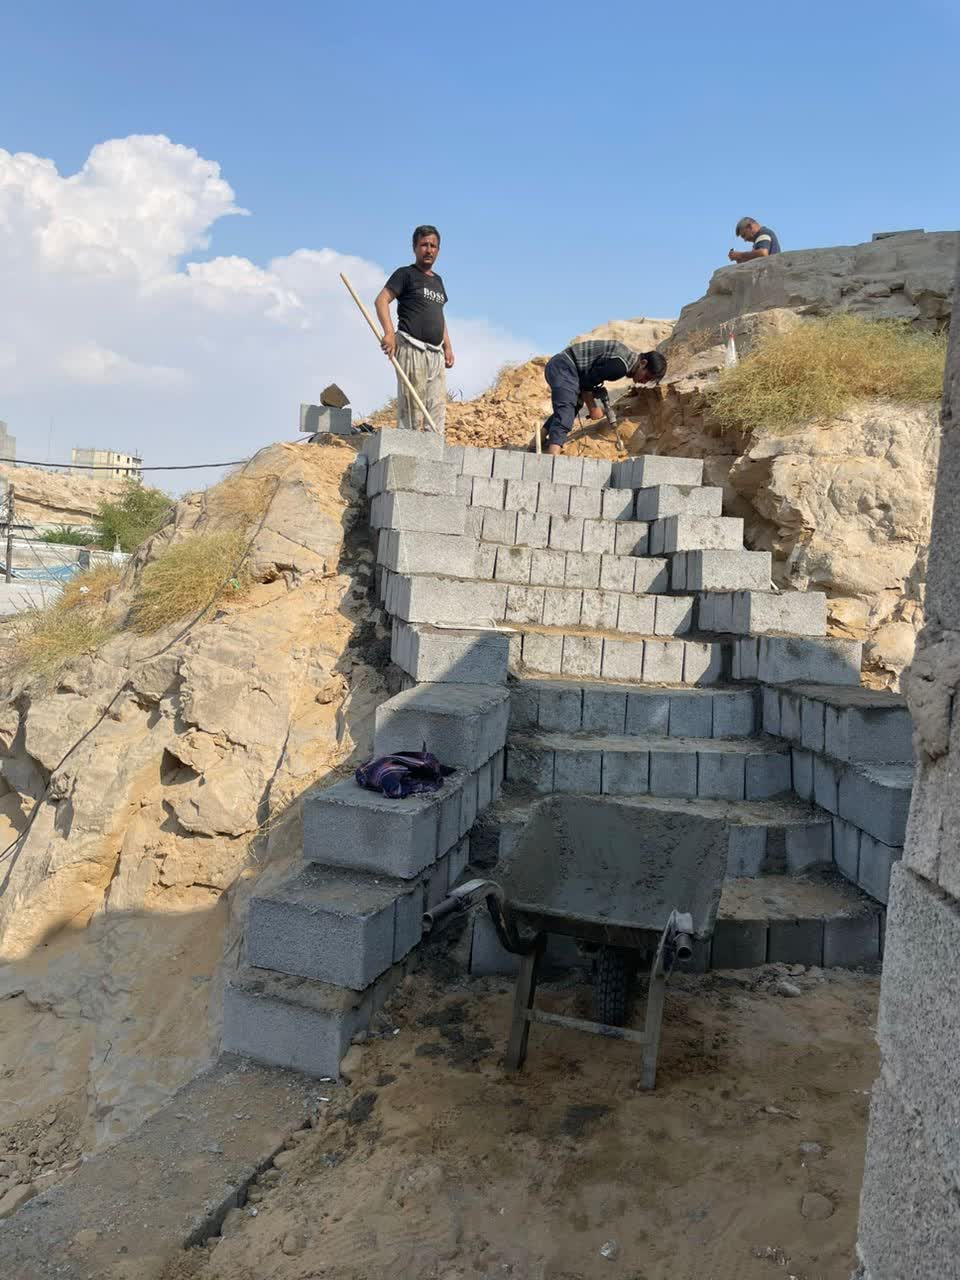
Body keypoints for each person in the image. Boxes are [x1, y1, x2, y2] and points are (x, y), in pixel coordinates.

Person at [374, 226, 454, 432]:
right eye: (424, 245)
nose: (429, 250)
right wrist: (389, 333)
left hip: (435, 352)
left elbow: (438, 314)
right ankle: (408, 446)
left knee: (436, 409)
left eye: (433, 246)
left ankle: (432, 447)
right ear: (415, 248)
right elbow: (381, 300)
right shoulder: (406, 274)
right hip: (411, 346)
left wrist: (448, 347)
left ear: (438, 250)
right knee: (412, 408)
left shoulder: (438, 281)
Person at [536, 342, 667, 456]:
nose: (644, 382)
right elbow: (587, 381)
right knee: (566, 410)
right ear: (643, 363)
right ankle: (553, 459)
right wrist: (593, 408)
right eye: (646, 377)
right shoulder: (620, 367)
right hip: (564, 367)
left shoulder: (624, 359)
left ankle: (536, 441)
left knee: (574, 405)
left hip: (567, 368)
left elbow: (590, 378)